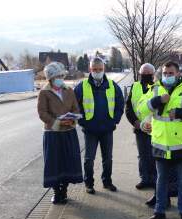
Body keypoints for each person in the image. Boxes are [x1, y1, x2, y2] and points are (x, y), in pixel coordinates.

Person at [138, 61, 182, 219]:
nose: (167, 76)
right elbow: (140, 109)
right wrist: (156, 101)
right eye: (165, 73)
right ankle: (159, 211)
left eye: (171, 73)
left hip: (181, 144)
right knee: (161, 180)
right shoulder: (155, 89)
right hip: (160, 144)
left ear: (178, 74)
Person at [74, 57, 125, 194]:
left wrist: (115, 120)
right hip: (90, 130)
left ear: (104, 69)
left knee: (107, 159)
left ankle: (107, 182)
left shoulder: (113, 86)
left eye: (100, 69)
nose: (97, 72)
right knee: (89, 159)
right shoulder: (82, 86)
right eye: (95, 69)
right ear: (90, 70)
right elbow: (74, 106)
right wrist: (82, 122)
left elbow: (120, 105)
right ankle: (89, 184)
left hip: (107, 129)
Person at [37, 62, 83, 204]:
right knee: (54, 163)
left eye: (61, 76)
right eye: (57, 76)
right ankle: (57, 192)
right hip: (53, 133)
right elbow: (42, 113)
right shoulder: (44, 93)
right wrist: (57, 122)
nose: (60, 78)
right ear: (50, 78)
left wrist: (72, 120)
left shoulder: (69, 90)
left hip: (69, 131)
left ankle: (65, 190)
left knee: (68, 161)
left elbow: (76, 108)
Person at [125, 63, 157, 190]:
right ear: (139, 74)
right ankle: (144, 178)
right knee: (142, 155)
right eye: (143, 74)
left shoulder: (158, 88)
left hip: (154, 128)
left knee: (154, 154)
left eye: (148, 75)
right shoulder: (135, 86)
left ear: (153, 75)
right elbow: (128, 107)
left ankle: (155, 179)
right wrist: (136, 123)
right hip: (139, 128)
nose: (145, 77)